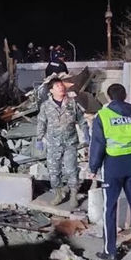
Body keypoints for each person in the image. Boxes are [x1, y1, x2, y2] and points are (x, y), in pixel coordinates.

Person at [89, 83, 131, 260]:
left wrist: (93, 167)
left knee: (109, 208)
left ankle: (111, 252)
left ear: (109, 97)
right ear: (125, 96)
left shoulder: (103, 116)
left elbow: (98, 144)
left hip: (113, 165)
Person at [36, 79, 89, 208]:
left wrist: (86, 133)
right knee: (54, 171)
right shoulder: (46, 106)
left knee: (72, 169)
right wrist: (39, 138)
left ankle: (73, 194)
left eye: (61, 85)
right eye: (57, 86)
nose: (61, 87)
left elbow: (81, 120)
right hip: (53, 144)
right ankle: (58, 194)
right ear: (51, 90)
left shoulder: (72, 103)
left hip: (70, 142)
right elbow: (41, 122)